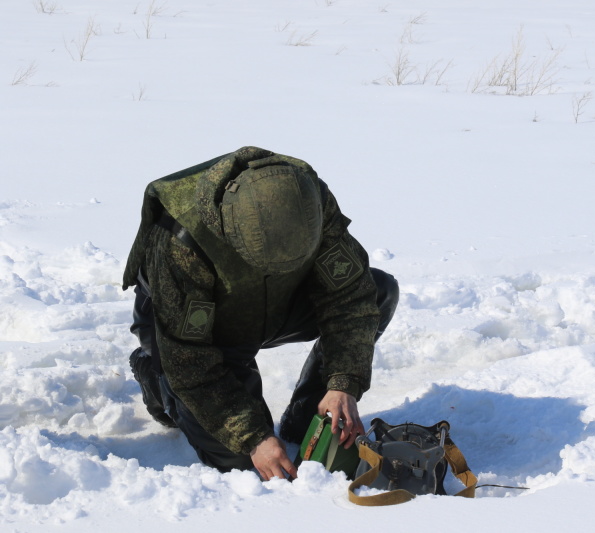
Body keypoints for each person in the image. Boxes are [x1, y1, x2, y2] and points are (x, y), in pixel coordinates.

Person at [122, 146, 399, 481]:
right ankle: (155, 375)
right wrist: (253, 437)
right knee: (246, 463)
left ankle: (308, 415)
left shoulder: (307, 200)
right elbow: (191, 361)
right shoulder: (181, 241)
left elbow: (349, 296)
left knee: (377, 291)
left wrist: (343, 382)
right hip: (199, 333)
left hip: (275, 306)